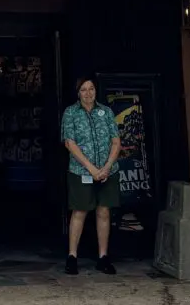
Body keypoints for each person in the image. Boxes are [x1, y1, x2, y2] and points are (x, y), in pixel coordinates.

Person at [60, 77, 121, 275]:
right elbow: (70, 143)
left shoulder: (106, 111)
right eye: (84, 90)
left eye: (91, 89)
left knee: (103, 212)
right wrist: (92, 169)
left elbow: (116, 141)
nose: (88, 93)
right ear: (78, 93)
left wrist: (106, 167)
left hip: (107, 171)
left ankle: (103, 256)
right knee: (80, 211)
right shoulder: (71, 113)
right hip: (81, 172)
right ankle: (72, 256)